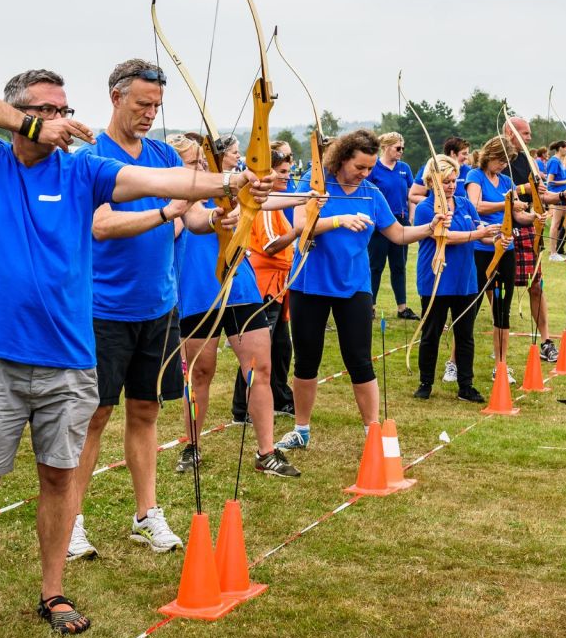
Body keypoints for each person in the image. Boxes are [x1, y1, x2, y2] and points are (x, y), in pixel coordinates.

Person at [0, 70, 271, 638]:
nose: (61, 117)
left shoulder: (82, 170)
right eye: (48, 109)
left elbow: (158, 179)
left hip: (70, 359)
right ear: (18, 113)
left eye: (63, 107)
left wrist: (233, 180)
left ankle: (53, 591)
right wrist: (32, 125)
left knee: (59, 478)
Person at [68, 61, 192, 563]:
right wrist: (165, 213)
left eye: (156, 106)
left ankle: (146, 515)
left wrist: (222, 211)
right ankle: (70, 520)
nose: (149, 114)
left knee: (146, 410)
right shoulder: (91, 156)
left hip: (159, 308)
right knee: (94, 415)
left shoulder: (161, 153)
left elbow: (196, 212)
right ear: (115, 97)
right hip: (104, 309)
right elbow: (101, 224)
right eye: (142, 104)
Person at [276, 130, 447, 452]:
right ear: (341, 159)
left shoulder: (371, 193)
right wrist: (338, 219)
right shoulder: (314, 184)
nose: (365, 174)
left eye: (369, 168)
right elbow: (299, 225)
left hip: (354, 287)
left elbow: (397, 234)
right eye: (360, 167)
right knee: (306, 360)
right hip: (308, 284)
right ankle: (301, 429)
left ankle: (373, 431)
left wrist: (429, 228)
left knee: (359, 360)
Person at [172, 135, 302, 478]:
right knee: (200, 373)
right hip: (199, 289)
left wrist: (309, 196)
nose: (200, 167)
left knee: (259, 368)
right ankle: (192, 446)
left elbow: (263, 200)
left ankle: (266, 452)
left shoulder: (223, 187)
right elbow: (188, 220)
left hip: (240, 286)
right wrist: (198, 205)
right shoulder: (174, 198)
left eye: (203, 162)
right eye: (192, 163)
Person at [412, 155, 498, 402]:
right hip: (436, 279)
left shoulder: (464, 204)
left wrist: (496, 238)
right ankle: (425, 382)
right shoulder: (426, 209)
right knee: (431, 333)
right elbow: (445, 236)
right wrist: (476, 233)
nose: (451, 185)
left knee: (465, 335)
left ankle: (466, 386)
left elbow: (481, 233)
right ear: (432, 182)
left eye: (453, 180)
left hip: (465, 280)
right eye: (445, 181)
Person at [231, 142, 298, 423]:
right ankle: (242, 409)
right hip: (264, 284)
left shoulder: (275, 202)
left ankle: (280, 398)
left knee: (281, 347)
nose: (287, 177)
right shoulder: (265, 205)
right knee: (257, 351)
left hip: (278, 285)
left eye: (288, 171)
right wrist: (300, 231)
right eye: (281, 172)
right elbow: (270, 246)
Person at [466, 137, 535, 384]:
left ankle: (501, 364)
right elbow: (474, 206)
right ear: (490, 155)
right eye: (502, 160)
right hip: (480, 248)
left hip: (506, 248)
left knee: (502, 309)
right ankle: (455, 363)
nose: (504, 166)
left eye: (508, 161)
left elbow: (519, 214)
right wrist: (506, 202)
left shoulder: (507, 181)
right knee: (469, 307)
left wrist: (533, 216)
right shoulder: (475, 176)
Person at [504, 116, 558, 362]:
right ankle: (459, 354)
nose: (529, 138)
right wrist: (527, 192)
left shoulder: (528, 161)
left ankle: (546, 341)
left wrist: (564, 194)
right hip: (501, 231)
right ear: (510, 133)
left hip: (528, 231)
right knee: (492, 291)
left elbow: (541, 195)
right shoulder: (497, 160)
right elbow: (506, 192)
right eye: (525, 134)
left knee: (536, 286)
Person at [367, 131, 418, 320]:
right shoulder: (373, 169)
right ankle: (370, 306)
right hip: (379, 225)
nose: (401, 152)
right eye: (398, 148)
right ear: (386, 147)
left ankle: (402, 307)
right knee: (376, 266)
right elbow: (368, 196)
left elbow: (411, 194)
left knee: (399, 266)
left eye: (403, 148)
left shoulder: (404, 168)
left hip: (401, 220)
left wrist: (411, 215)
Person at [545, 141, 566, 260]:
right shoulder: (554, 161)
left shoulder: (559, 161)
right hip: (557, 195)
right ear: (560, 148)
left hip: (564, 195)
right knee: (555, 224)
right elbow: (550, 181)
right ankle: (553, 253)